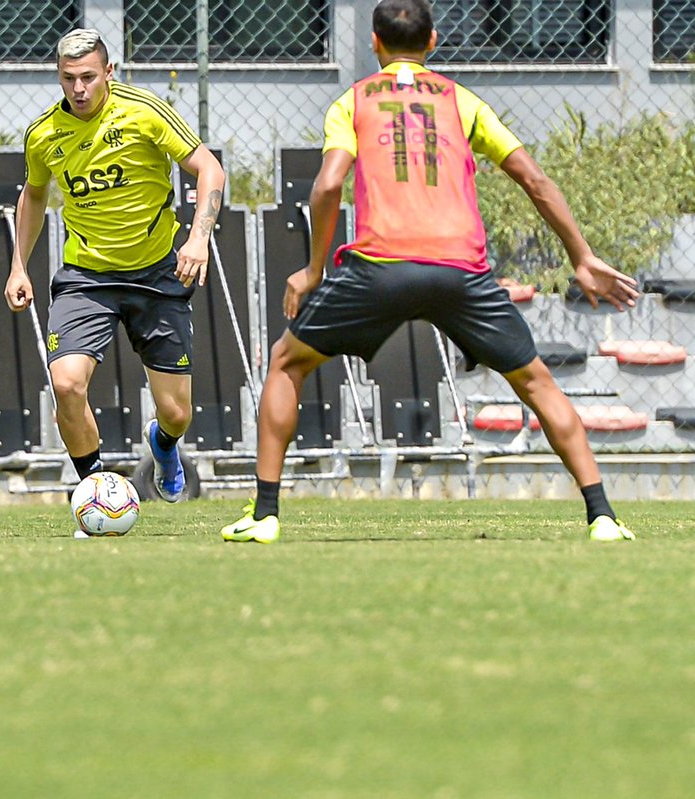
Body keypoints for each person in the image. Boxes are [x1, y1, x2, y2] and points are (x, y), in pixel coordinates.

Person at [220, 0, 638, 544]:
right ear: (434, 41)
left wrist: (313, 269)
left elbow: (326, 186)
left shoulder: (352, 101)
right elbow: (535, 180)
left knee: (286, 362)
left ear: (374, 42)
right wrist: (581, 256)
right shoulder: (462, 101)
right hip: (460, 269)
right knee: (536, 382)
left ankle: (266, 514)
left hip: (380, 267)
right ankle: (602, 516)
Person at [4, 28, 225, 503]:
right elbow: (35, 195)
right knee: (66, 384)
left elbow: (210, 168)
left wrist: (198, 238)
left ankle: (163, 445)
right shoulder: (44, 134)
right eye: (68, 78)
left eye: (88, 77)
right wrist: (18, 265)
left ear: (109, 72)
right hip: (86, 278)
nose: (79, 89)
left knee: (177, 414)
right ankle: (96, 490)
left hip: (158, 273)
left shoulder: (144, 111)